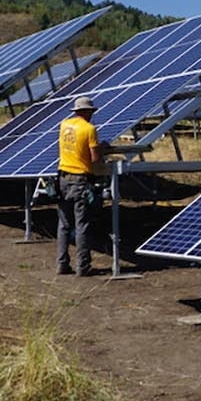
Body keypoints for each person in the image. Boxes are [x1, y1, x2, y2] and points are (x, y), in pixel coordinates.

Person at [57, 96, 110, 276]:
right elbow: (94, 158)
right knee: (81, 224)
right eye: (91, 112)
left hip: (62, 178)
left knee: (64, 224)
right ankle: (83, 267)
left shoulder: (64, 125)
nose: (92, 115)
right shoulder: (89, 129)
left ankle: (62, 264)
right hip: (80, 179)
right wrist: (103, 148)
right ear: (87, 111)